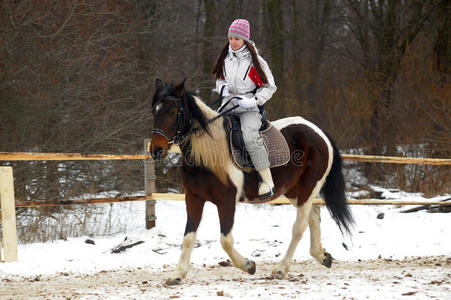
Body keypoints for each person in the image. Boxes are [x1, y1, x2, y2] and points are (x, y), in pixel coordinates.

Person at [211, 19, 277, 199]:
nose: (233, 42)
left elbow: (270, 87)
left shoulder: (256, 61)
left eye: (237, 39)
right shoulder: (226, 59)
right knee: (210, 130)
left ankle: (267, 182)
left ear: (245, 40)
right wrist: (221, 87)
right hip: (228, 104)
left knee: (250, 137)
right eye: (231, 38)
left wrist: (253, 101)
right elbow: (220, 79)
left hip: (249, 106)